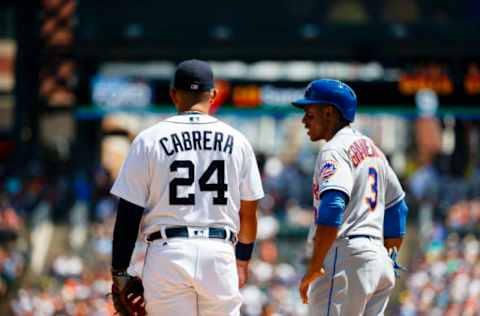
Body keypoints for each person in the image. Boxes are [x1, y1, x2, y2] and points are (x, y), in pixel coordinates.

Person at [109, 59, 264, 316]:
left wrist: (119, 271)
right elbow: (248, 212)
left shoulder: (149, 139)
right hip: (219, 252)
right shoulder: (238, 141)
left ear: (173, 94)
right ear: (214, 94)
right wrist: (242, 259)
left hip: (169, 252)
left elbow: (128, 214)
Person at [292, 79, 409, 315]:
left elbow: (333, 205)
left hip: (345, 256)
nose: (304, 121)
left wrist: (315, 266)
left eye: (310, 113)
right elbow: (398, 208)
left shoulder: (334, 149)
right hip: (377, 260)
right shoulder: (372, 149)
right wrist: (388, 259)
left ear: (329, 113)